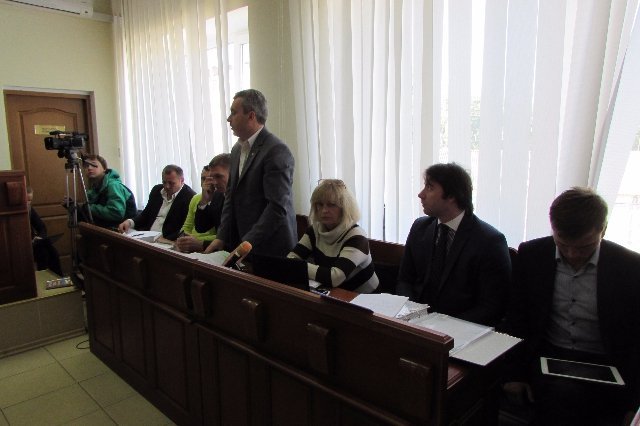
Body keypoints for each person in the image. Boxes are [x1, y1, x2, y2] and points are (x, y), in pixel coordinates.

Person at [503, 187, 640, 425]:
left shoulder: (629, 267)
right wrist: (514, 374)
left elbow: (636, 338)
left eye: (584, 247)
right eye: (563, 244)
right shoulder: (533, 255)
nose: (572, 254)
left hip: (606, 362)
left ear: (603, 230)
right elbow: (517, 318)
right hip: (549, 355)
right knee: (563, 396)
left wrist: (634, 403)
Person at [396, 162, 511, 326]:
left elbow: (492, 307)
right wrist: (412, 313)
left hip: (460, 329)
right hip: (416, 323)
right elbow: (405, 280)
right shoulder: (420, 227)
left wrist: (444, 326)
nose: (421, 194)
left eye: (430, 187)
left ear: (451, 196)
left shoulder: (489, 241)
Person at [204, 89, 297, 256]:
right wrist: (221, 237)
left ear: (251, 116)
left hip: (271, 248)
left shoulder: (276, 150)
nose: (228, 119)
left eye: (234, 113)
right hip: (243, 243)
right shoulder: (237, 150)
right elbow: (230, 197)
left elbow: (277, 207)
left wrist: (247, 243)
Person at [288, 179, 379, 293]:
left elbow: (334, 278)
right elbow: (290, 259)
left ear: (345, 208)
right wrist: (301, 266)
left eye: (331, 205)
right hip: (333, 293)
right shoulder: (314, 230)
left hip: (364, 298)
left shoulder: (357, 237)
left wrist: (300, 267)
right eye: (320, 204)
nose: (324, 210)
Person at [118, 165, 196, 241]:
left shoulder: (190, 198)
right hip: (146, 236)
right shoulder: (157, 190)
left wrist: (166, 240)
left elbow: (185, 229)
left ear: (182, 180)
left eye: (171, 183)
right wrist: (130, 222)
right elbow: (146, 214)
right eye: (164, 182)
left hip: (167, 241)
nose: (167, 186)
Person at [175, 154, 230, 253]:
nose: (214, 182)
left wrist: (202, 244)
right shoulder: (218, 195)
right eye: (212, 177)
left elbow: (234, 238)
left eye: (218, 176)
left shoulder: (243, 197)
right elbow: (201, 227)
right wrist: (204, 200)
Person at [83, 154, 137, 229]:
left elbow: (116, 213)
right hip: (107, 229)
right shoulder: (95, 189)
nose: (89, 168)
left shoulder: (113, 185)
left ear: (104, 168)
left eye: (93, 165)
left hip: (123, 231)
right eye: (86, 166)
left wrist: (89, 208)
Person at [27, 186, 63, 276]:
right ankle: (45, 278)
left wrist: (40, 237)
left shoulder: (30, 209)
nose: (28, 203)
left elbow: (41, 227)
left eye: (30, 200)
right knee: (44, 254)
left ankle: (58, 278)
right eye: (26, 200)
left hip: (34, 243)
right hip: (23, 246)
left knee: (53, 252)